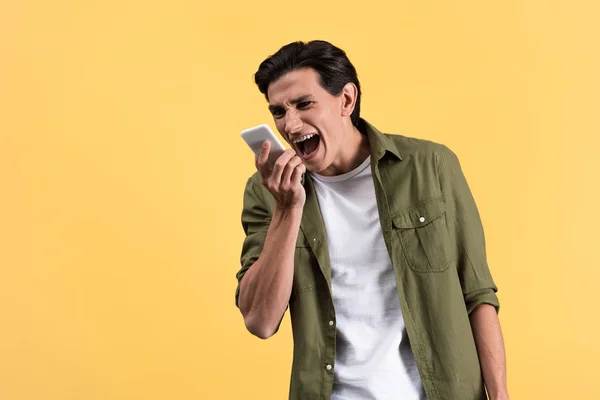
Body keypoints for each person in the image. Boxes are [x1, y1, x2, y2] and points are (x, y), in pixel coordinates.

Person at [235, 40, 509, 400]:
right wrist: (287, 209)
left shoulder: (430, 167)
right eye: (279, 111)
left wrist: (500, 394)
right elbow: (260, 321)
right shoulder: (266, 192)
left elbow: (476, 293)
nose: (291, 123)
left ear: (346, 100)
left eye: (304, 104)